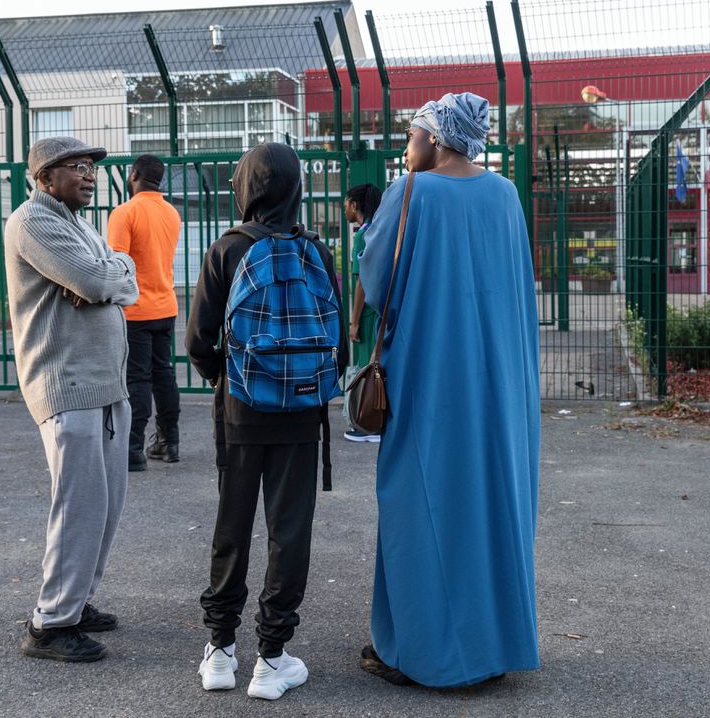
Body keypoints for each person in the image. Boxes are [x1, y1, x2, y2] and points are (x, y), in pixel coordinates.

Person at [357, 93, 541, 688]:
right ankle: (493, 645)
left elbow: (376, 278)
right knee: (492, 497)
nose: (406, 147)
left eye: (412, 135)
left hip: (430, 367)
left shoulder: (413, 193)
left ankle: (421, 650)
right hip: (499, 375)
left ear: (436, 140)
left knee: (422, 497)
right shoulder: (505, 193)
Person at [185, 142, 347, 700]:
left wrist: (227, 378)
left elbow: (199, 341)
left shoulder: (228, 249)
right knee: (290, 531)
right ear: (296, 186)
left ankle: (221, 651)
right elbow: (339, 344)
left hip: (240, 412)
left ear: (246, 185)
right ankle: (272, 657)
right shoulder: (318, 253)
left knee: (232, 526)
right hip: (303, 414)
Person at [4, 136, 140, 663]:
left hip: (105, 383)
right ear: (44, 178)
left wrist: (111, 278)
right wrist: (103, 277)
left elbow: (122, 275)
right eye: (76, 167)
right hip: (67, 384)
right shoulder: (33, 222)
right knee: (78, 505)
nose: (89, 175)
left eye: (91, 167)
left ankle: (77, 601)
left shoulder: (78, 224)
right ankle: (51, 623)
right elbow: (90, 276)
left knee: (105, 506)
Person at [107, 154, 183, 470]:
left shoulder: (124, 213)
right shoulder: (171, 213)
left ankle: (132, 449)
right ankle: (169, 442)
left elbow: (116, 266)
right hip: (166, 306)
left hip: (135, 309)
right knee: (164, 374)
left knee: (137, 377)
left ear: (134, 174)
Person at [342, 182, 382, 443]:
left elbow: (361, 283)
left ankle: (368, 423)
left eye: (345, 203)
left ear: (355, 205)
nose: (343, 208)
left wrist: (354, 321)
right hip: (380, 311)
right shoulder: (378, 230)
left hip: (366, 314)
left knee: (366, 369)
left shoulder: (361, 236)